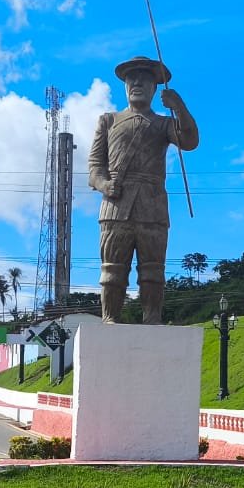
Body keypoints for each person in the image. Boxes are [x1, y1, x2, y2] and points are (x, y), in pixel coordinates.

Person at [87, 56, 200, 323]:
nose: (137, 83)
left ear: (154, 88)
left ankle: (152, 317)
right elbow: (94, 167)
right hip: (116, 205)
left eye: (145, 79)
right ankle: (110, 317)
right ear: (125, 86)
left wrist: (179, 107)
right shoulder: (109, 121)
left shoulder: (163, 123)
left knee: (153, 270)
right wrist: (104, 184)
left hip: (153, 205)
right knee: (112, 269)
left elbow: (190, 141)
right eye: (131, 79)